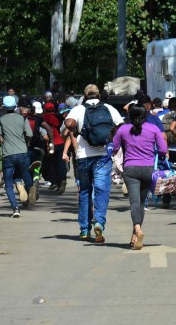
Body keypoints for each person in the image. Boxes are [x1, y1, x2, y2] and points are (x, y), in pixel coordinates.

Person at [64, 84, 124, 242]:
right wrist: (111, 139)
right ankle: (99, 222)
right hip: (103, 156)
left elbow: (68, 123)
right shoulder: (109, 108)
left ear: (85, 95)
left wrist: (78, 130)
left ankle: (84, 229)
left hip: (83, 156)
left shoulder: (78, 109)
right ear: (99, 95)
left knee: (84, 191)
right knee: (101, 190)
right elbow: (121, 126)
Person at [112, 104, 167, 250]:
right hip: (148, 169)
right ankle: (135, 237)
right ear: (145, 115)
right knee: (141, 203)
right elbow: (163, 149)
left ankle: (137, 229)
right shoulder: (153, 128)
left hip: (130, 169)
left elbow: (114, 147)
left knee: (134, 202)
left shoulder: (123, 129)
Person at [0, 96, 34, 217]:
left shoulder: (1, 120)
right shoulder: (22, 119)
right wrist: (25, 141)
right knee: (21, 174)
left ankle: (15, 208)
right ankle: (25, 187)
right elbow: (30, 133)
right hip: (22, 152)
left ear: (4, 107)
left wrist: (3, 141)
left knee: (8, 183)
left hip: (8, 154)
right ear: (15, 106)